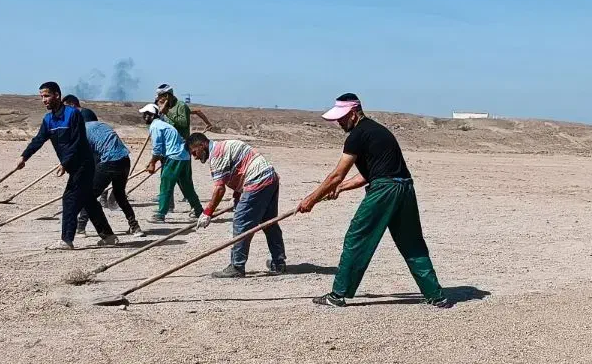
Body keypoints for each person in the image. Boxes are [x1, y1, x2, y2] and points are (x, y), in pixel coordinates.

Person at [297, 93, 448, 308]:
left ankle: (338, 294)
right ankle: (436, 295)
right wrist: (340, 188)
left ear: (354, 112)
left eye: (341, 117)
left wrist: (311, 199)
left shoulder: (357, 135)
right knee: (412, 242)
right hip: (404, 188)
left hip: (385, 191)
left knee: (357, 238)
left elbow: (336, 175)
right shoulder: (377, 131)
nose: (339, 122)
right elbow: (368, 175)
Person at [15, 81, 117, 250]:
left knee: (69, 199)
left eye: (47, 95)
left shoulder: (72, 114)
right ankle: (108, 236)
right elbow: (39, 139)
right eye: (41, 97)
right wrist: (24, 156)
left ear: (57, 95)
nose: (44, 100)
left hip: (84, 164)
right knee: (88, 201)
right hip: (72, 166)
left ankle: (66, 240)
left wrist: (64, 162)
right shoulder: (48, 119)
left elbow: (76, 142)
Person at [190, 132, 285, 277]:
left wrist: (207, 213)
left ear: (202, 145)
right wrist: (238, 195)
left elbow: (219, 188)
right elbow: (239, 170)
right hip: (269, 177)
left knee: (241, 222)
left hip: (257, 181)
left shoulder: (217, 155)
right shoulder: (224, 146)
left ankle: (237, 266)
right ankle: (279, 262)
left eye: (194, 152)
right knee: (269, 222)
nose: (195, 157)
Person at [76, 112, 142, 237]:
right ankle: (135, 227)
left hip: (109, 161)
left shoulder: (84, 129)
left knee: (88, 196)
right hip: (124, 160)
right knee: (119, 194)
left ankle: (80, 228)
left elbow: (92, 158)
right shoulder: (103, 125)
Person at [142, 101, 202, 222]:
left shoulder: (155, 126)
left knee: (166, 184)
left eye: (146, 114)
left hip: (174, 157)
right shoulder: (162, 124)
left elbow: (158, 148)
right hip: (184, 156)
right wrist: (152, 161)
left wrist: (153, 163)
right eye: (144, 114)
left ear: (153, 115)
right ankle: (198, 211)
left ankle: (161, 214)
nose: (144, 117)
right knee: (187, 186)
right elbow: (162, 149)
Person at [153, 84, 202, 217]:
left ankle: (161, 213)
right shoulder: (163, 108)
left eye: (161, 97)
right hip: (169, 151)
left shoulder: (181, 106)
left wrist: (166, 112)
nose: (159, 99)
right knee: (182, 183)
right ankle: (196, 209)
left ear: (167, 96)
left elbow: (184, 122)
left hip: (179, 150)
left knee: (168, 181)